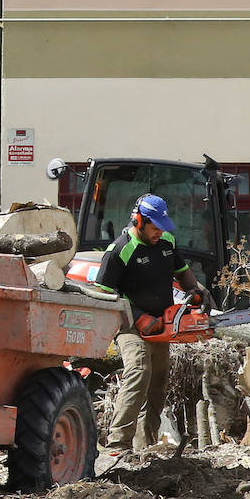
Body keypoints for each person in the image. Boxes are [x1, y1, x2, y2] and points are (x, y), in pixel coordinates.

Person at [94, 193, 207, 454]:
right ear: (138, 220)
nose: (159, 232)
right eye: (154, 227)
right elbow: (101, 295)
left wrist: (196, 290)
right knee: (139, 370)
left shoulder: (166, 241)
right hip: (129, 325)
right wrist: (138, 316)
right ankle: (118, 444)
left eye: (161, 227)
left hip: (161, 325)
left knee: (158, 382)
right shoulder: (119, 251)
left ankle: (146, 445)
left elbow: (183, 272)